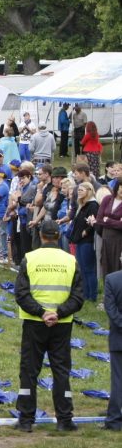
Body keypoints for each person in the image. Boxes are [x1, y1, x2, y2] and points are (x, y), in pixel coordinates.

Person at [14, 219, 84, 432]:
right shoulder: (70, 260)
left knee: (29, 370)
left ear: (41, 236)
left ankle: (26, 420)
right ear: (58, 235)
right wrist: (58, 312)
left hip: (35, 322)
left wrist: (42, 312)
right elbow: (78, 297)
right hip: (62, 324)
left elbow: (21, 294)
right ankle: (64, 419)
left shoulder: (30, 258)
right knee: (61, 371)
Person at [70, 182, 100, 302]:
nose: (79, 192)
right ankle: (85, 293)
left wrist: (86, 231)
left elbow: (94, 221)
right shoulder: (82, 204)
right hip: (80, 240)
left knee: (89, 269)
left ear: (89, 190)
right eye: (78, 190)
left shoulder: (92, 205)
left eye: (82, 190)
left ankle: (92, 295)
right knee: (82, 268)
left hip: (87, 240)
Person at [105, 266, 122, 431]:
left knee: (118, 380)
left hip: (118, 337)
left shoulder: (112, 279)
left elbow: (111, 309)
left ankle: (114, 419)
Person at [95, 180, 122, 284]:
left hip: (119, 240)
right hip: (106, 239)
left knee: (118, 266)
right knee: (106, 266)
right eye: (121, 189)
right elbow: (99, 219)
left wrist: (108, 220)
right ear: (117, 188)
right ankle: (107, 294)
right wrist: (117, 221)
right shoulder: (108, 199)